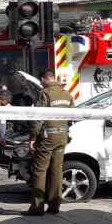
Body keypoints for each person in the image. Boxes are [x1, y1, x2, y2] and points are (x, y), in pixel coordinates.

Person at [25, 69, 74, 216]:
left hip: (47, 138)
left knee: (40, 171)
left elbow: (38, 117)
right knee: (56, 171)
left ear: (44, 79)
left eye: (42, 81)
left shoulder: (44, 94)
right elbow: (72, 115)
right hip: (62, 137)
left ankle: (37, 208)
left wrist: (32, 137)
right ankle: (54, 206)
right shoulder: (67, 94)